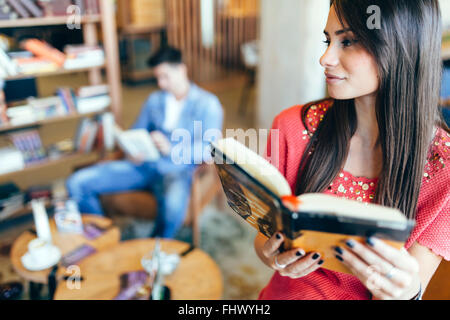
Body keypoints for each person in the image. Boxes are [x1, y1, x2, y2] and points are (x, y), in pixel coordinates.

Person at [255, 0, 449, 300]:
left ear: (401, 45)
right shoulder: (293, 127)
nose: (325, 58)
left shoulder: (443, 169)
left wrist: (408, 291)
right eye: (327, 40)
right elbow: (264, 237)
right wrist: (270, 255)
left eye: (347, 41)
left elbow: (413, 286)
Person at [66, 46, 224, 238]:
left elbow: (209, 148)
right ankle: (104, 239)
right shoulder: (154, 100)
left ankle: (155, 248)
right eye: (157, 77)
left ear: (182, 69)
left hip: (177, 170)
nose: (160, 83)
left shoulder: (207, 104)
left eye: (165, 76)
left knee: (174, 208)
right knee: (77, 183)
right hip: (143, 164)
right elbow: (137, 130)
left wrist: (171, 148)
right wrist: (132, 147)